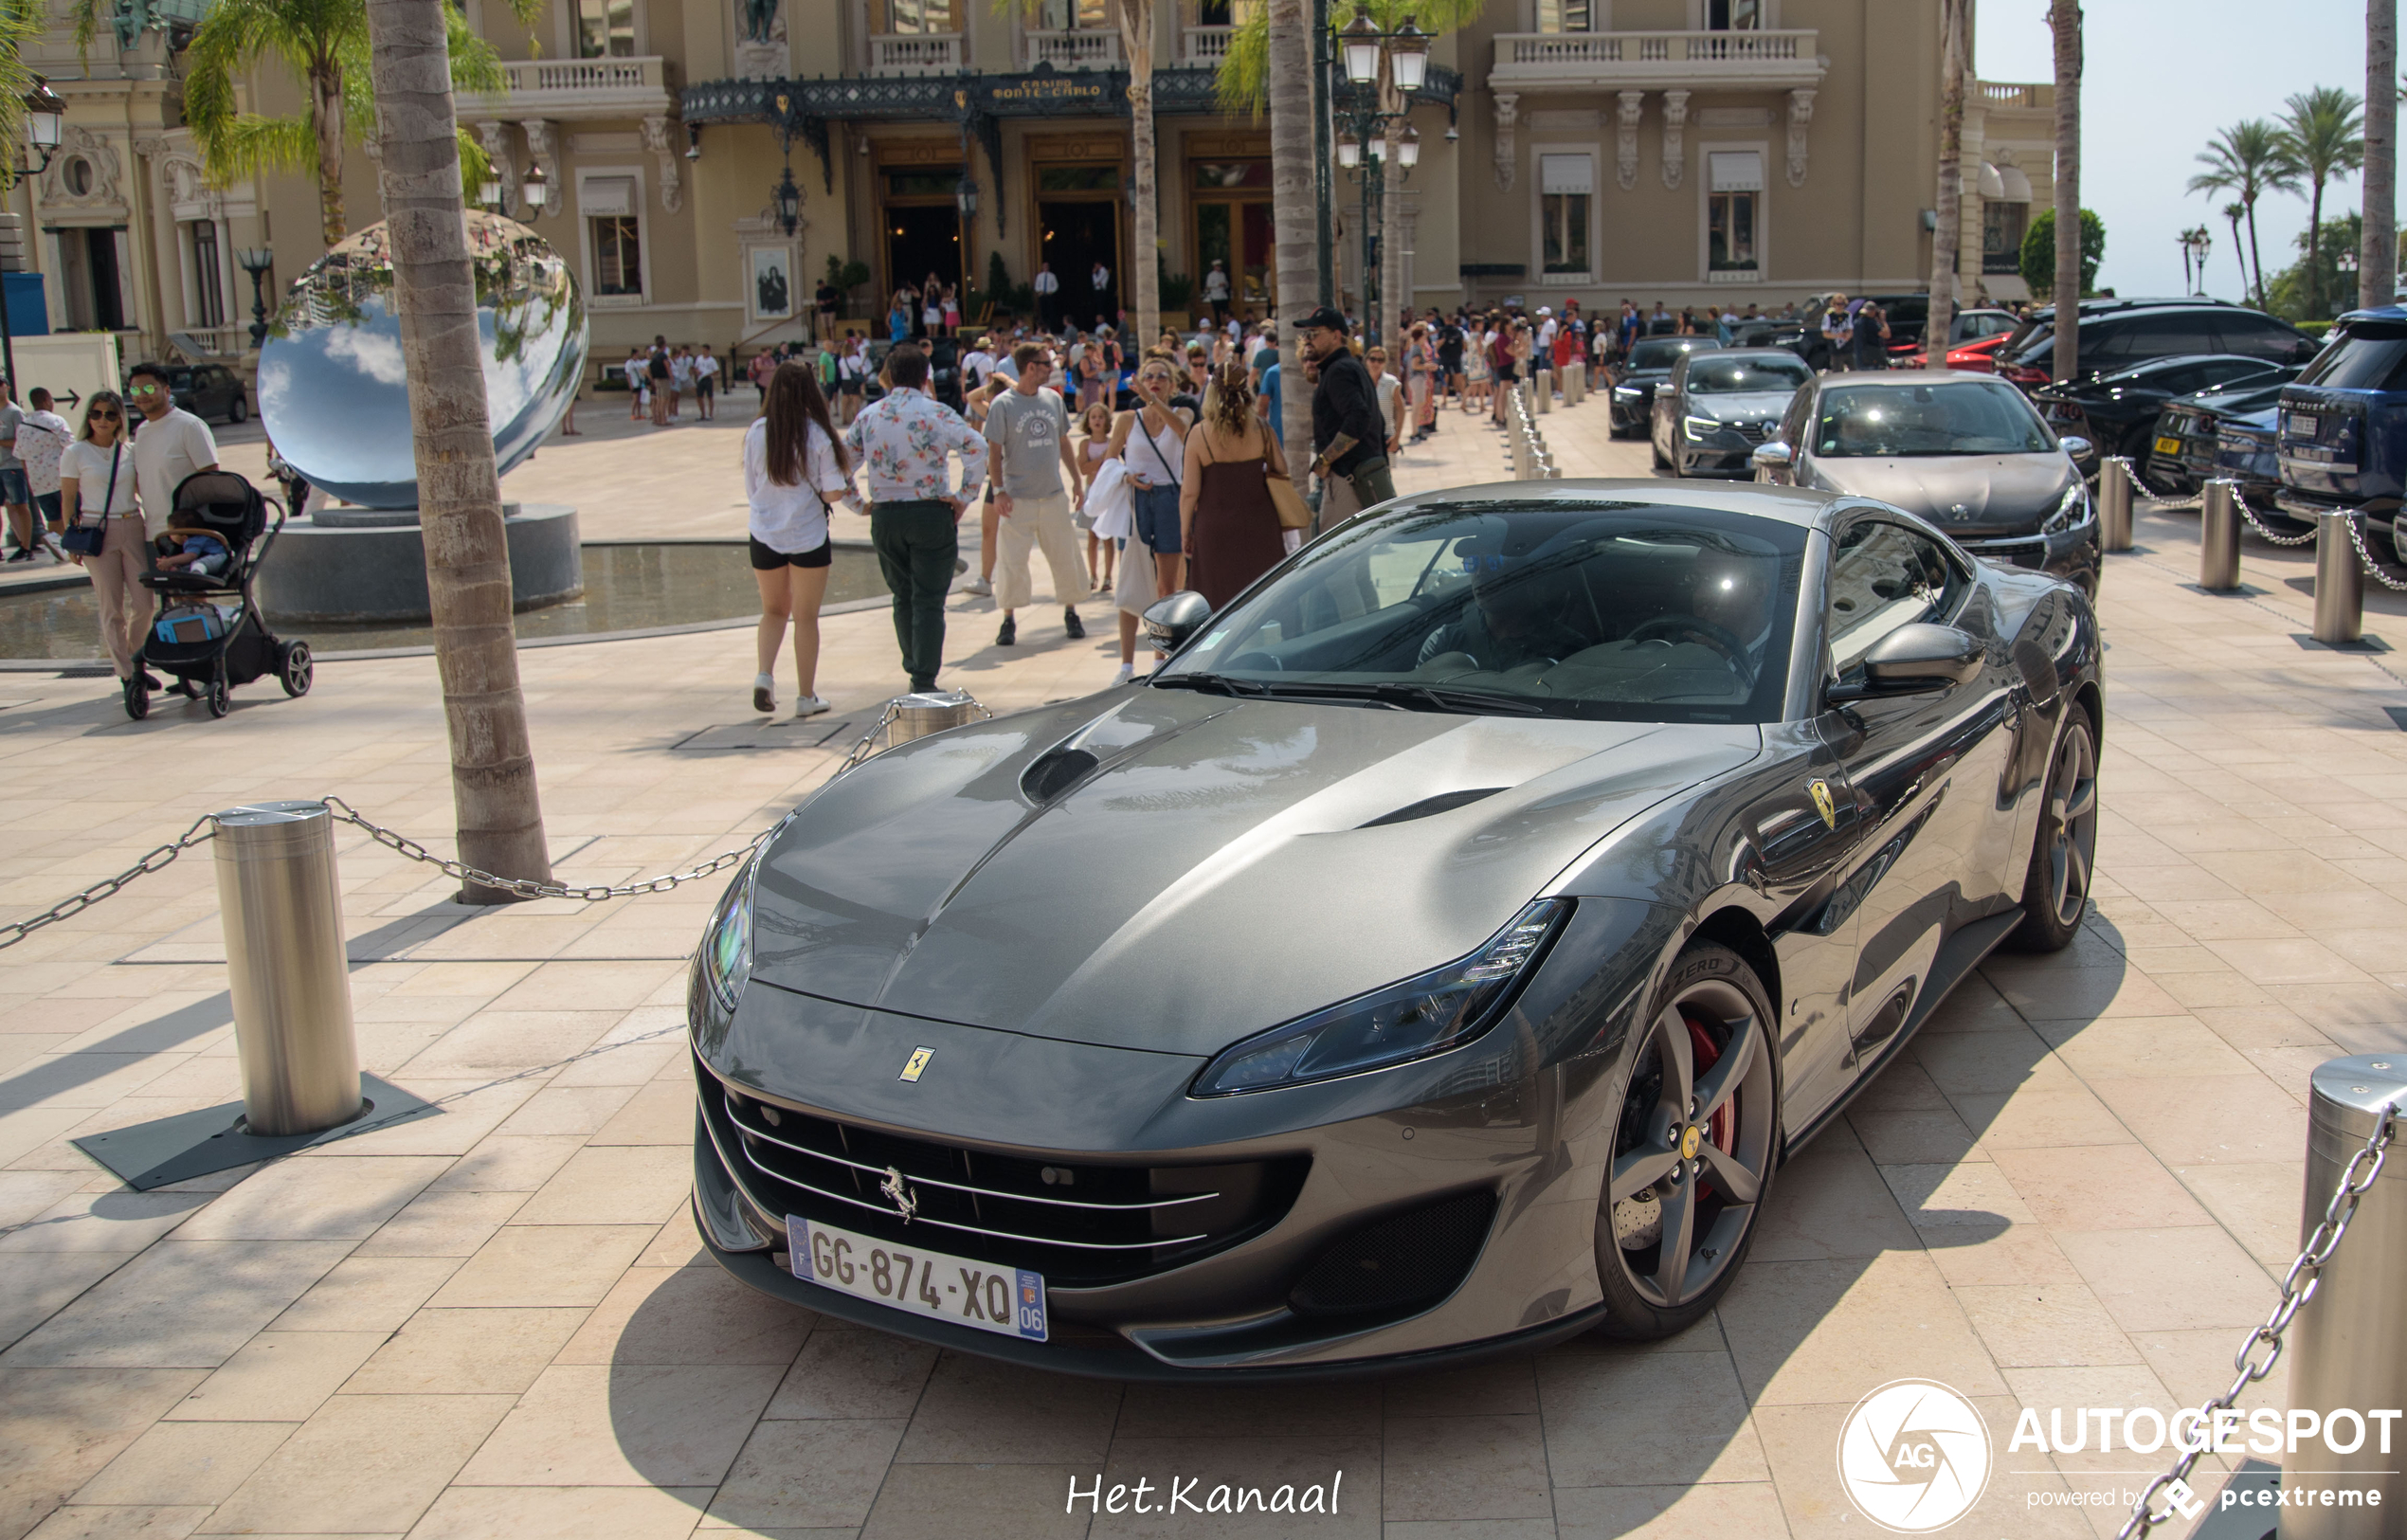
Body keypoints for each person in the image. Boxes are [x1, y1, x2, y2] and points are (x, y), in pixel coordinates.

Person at [843, 344, 988, 693]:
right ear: (926, 377)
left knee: (902, 594)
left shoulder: (869, 415)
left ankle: (914, 665)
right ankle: (923, 677)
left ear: (889, 376)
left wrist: (857, 503)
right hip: (929, 511)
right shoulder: (937, 412)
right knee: (928, 599)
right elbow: (977, 447)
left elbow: (839, 464)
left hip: (886, 514)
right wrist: (963, 497)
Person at [746, 361, 853, 718]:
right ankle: (806, 697)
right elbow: (834, 493)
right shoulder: (818, 435)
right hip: (807, 535)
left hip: (764, 533)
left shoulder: (757, 431)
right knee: (805, 617)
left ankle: (765, 675)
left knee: (772, 611)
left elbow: (751, 487)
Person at [983, 342, 1087, 647]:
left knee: (1066, 557)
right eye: (1045, 364)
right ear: (1031, 367)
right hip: (1017, 499)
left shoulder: (1052, 400)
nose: (1050, 369)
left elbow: (1064, 441)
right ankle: (1008, 619)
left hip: (1052, 495)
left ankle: (1071, 612)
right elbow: (994, 451)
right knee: (1012, 561)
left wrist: (1076, 482)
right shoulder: (1003, 405)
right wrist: (999, 491)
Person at [58, 391, 152, 686]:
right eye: (96, 413)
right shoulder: (75, 453)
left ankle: (136, 659)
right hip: (96, 531)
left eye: (110, 414)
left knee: (145, 603)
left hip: (133, 524)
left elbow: (143, 489)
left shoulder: (131, 451)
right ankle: (127, 674)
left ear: (119, 419)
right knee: (111, 607)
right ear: (88, 417)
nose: (103, 420)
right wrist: (69, 538)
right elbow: (68, 498)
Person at [1180, 362, 1290, 611]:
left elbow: (1189, 492)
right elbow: (1282, 469)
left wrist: (1185, 531)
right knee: (1266, 601)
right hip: (1261, 524)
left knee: (1216, 603)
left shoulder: (1199, 435)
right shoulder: (1261, 429)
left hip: (1215, 527)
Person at [1108, 355, 1193, 607]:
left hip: (1170, 497)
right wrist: (1126, 476)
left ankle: (1163, 647)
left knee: (1167, 585)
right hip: (1136, 499)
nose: (1154, 380)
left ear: (1172, 384)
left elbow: (1180, 428)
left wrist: (1152, 400)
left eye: (1161, 376)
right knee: (1133, 579)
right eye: (1149, 376)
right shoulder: (1127, 419)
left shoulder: (1183, 412)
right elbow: (1110, 459)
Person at [1296, 306, 1391, 527]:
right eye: (1305, 335)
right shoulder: (1349, 367)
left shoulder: (1339, 371)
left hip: (1349, 481)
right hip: (1357, 479)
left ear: (1336, 335)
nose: (1308, 340)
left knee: (1340, 557)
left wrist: (1325, 459)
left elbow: (1359, 418)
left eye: (1314, 334)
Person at [125, 362, 220, 522]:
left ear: (167, 391)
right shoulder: (141, 432)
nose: (141, 395)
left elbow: (210, 476)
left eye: (149, 388)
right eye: (135, 390)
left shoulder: (189, 426)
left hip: (188, 532)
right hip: (153, 530)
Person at [15, 388, 71, 561]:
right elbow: (71, 445)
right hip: (60, 476)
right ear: (47, 400)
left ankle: (58, 546)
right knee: (70, 512)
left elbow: (20, 456)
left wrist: (29, 476)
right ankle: (73, 546)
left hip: (38, 481)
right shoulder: (56, 421)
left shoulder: (23, 426)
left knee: (53, 517)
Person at [1075, 399, 1117, 594]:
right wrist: (1101, 462)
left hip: (1108, 493)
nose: (1097, 420)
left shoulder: (1112, 443)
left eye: (1101, 417)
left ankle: (1108, 576)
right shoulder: (1085, 444)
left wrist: (1097, 465)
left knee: (1108, 537)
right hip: (1092, 492)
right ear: (1088, 421)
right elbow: (1083, 468)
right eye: (1093, 417)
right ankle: (1093, 574)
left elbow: (1114, 466)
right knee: (1092, 537)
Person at [154, 505, 230, 576]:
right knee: (192, 565)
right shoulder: (198, 538)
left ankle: (196, 576)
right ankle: (177, 570)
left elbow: (190, 556)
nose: (169, 536)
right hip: (211, 558)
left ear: (184, 537)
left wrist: (170, 561)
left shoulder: (192, 541)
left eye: (171, 532)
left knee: (198, 564)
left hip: (216, 557)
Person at [0, 378, 29, 562]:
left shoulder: (15, 412)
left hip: (12, 467)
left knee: (19, 506)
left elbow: (23, 440)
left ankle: (26, 546)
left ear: (7, 388)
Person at [1366, 348, 1404, 459]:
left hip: (1386, 436)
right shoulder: (1360, 381)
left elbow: (1400, 409)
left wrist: (1396, 437)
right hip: (1365, 437)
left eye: (1380, 360)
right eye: (1372, 359)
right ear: (1367, 360)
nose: (1376, 363)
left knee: (1384, 473)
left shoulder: (1391, 383)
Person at [1819, 296, 1855, 372]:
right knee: (1837, 371)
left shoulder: (1847, 315)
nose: (1839, 306)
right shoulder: (1828, 316)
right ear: (1833, 304)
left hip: (1848, 349)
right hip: (1835, 350)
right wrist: (1837, 335)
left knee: (1853, 370)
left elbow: (1850, 330)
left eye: (1841, 304)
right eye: (1837, 304)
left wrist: (1848, 336)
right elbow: (1825, 333)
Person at [1034, 261, 1061, 333]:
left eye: (1047, 266)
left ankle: (1051, 329)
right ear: (1042, 267)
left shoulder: (1052, 276)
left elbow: (1056, 286)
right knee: (1043, 313)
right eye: (1044, 266)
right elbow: (1037, 286)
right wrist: (1039, 291)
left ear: (1048, 267)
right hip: (1042, 295)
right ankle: (1043, 329)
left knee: (1051, 313)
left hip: (1049, 296)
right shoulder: (1039, 276)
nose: (1045, 267)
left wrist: (1051, 291)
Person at [694, 347, 720, 421]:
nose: (703, 352)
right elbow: (695, 367)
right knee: (699, 396)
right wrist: (697, 371)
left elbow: (716, 371)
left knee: (710, 396)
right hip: (700, 379)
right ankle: (702, 413)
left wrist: (709, 374)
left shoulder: (712, 360)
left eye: (705, 350)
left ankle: (710, 414)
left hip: (708, 378)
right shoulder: (699, 358)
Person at [647, 345, 672, 425]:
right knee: (663, 400)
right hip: (663, 379)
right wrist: (671, 377)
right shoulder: (662, 357)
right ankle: (663, 420)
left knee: (658, 401)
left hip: (656, 380)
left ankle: (657, 419)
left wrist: (652, 379)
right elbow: (667, 367)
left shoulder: (653, 359)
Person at [1204, 260, 1232, 326]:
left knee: (1226, 312)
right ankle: (1218, 326)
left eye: (1220, 266)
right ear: (1214, 267)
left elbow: (1227, 284)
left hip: (1223, 296)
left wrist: (1225, 285)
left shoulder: (1222, 274)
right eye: (1217, 266)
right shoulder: (1211, 275)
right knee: (1217, 313)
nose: (1219, 268)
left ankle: (1228, 324)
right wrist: (1217, 285)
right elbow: (1208, 286)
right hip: (1215, 297)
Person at [815, 273, 840, 342]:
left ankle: (833, 339)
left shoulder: (830, 289)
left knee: (831, 326)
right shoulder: (818, 292)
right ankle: (829, 339)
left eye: (821, 284)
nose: (821, 286)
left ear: (823, 283)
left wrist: (830, 301)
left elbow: (837, 298)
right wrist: (820, 303)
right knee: (825, 327)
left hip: (831, 310)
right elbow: (817, 301)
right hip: (823, 311)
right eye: (819, 285)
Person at [1090, 260, 1112, 329]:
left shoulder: (1103, 271)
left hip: (1101, 291)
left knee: (1101, 308)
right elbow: (1096, 283)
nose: (1095, 267)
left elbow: (1096, 281)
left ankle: (1102, 322)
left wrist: (1093, 274)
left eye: (1096, 265)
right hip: (1098, 290)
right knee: (1098, 307)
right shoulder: (1100, 272)